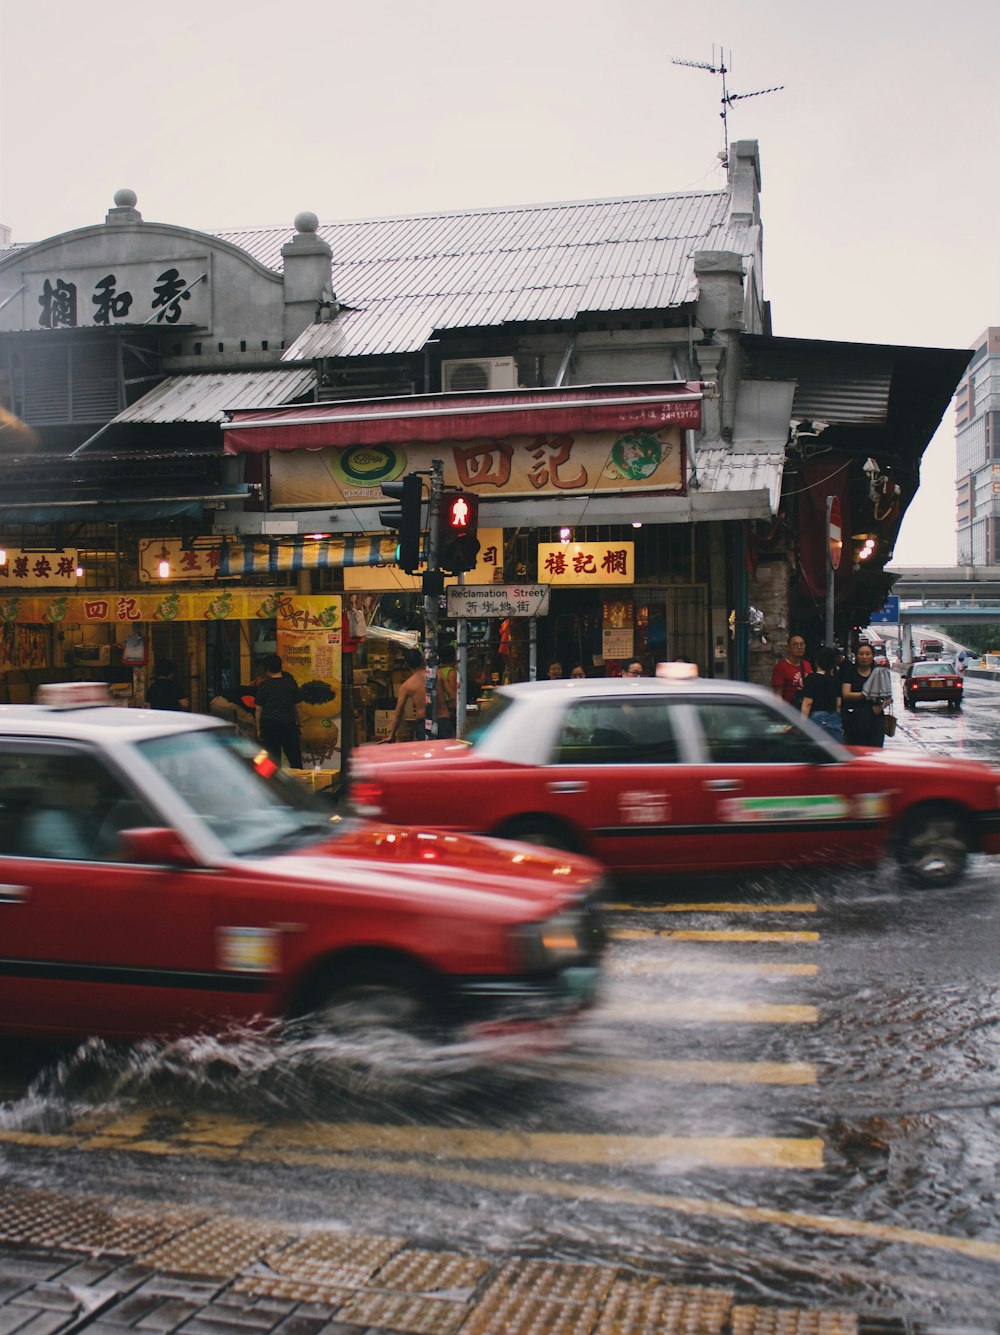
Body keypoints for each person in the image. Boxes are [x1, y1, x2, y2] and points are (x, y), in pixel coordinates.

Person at [254, 653, 303, 767]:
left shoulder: (264, 685)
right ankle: (300, 782)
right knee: (294, 758)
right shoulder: (290, 683)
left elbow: (258, 709)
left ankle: (271, 784)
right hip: (288, 725)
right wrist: (300, 724)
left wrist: (258, 728)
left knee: (271, 760)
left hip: (269, 726)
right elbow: (298, 706)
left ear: (266, 669)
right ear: (280, 667)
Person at [841, 642, 892, 747]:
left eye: (868, 654)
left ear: (873, 656)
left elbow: (889, 697)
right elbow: (846, 694)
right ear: (856, 655)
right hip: (854, 718)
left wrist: (881, 707)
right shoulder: (850, 671)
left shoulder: (879, 672)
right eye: (861, 654)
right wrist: (865, 695)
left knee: (875, 751)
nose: (864, 657)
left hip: (875, 719)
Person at [801, 646, 844, 740]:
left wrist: (802, 722)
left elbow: (808, 703)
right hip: (834, 717)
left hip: (817, 718)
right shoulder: (836, 680)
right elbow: (839, 704)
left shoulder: (811, 678)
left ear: (817, 662)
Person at [387, 647, 427, 742]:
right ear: (422, 660)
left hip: (423, 724)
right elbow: (452, 696)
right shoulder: (438, 675)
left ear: (406, 664)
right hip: (443, 721)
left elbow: (398, 713)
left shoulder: (407, 685)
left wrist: (391, 735)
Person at [771, 635, 812, 708]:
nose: (799, 647)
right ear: (788, 648)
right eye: (795, 645)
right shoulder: (781, 667)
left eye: (802, 644)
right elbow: (778, 693)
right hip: (789, 709)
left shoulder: (807, 665)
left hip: (805, 710)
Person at [436, 644, 459, 739]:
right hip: (450, 710)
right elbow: (453, 695)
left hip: (440, 710)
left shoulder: (438, 672)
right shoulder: (452, 673)